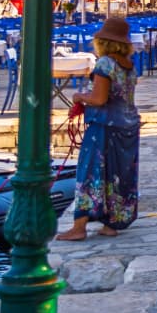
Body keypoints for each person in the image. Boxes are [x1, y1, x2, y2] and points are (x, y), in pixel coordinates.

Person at [55, 15, 141, 241]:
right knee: (117, 174)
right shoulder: (129, 65)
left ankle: (79, 226)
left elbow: (100, 98)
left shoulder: (105, 64)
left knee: (91, 170)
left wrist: (79, 97)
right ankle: (111, 222)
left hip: (106, 126)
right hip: (128, 125)